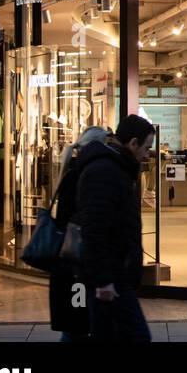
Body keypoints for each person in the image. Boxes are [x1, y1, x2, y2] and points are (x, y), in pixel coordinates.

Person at [75, 115, 156, 342]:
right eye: (146, 147)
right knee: (137, 336)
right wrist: (103, 280)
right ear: (132, 143)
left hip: (114, 273)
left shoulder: (115, 168)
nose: (147, 154)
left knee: (105, 334)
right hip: (110, 276)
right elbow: (94, 229)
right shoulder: (105, 171)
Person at [48, 126, 110, 342]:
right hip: (76, 257)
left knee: (75, 321)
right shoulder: (83, 175)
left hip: (69, 256)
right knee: (78, 322)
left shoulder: (71, 172)